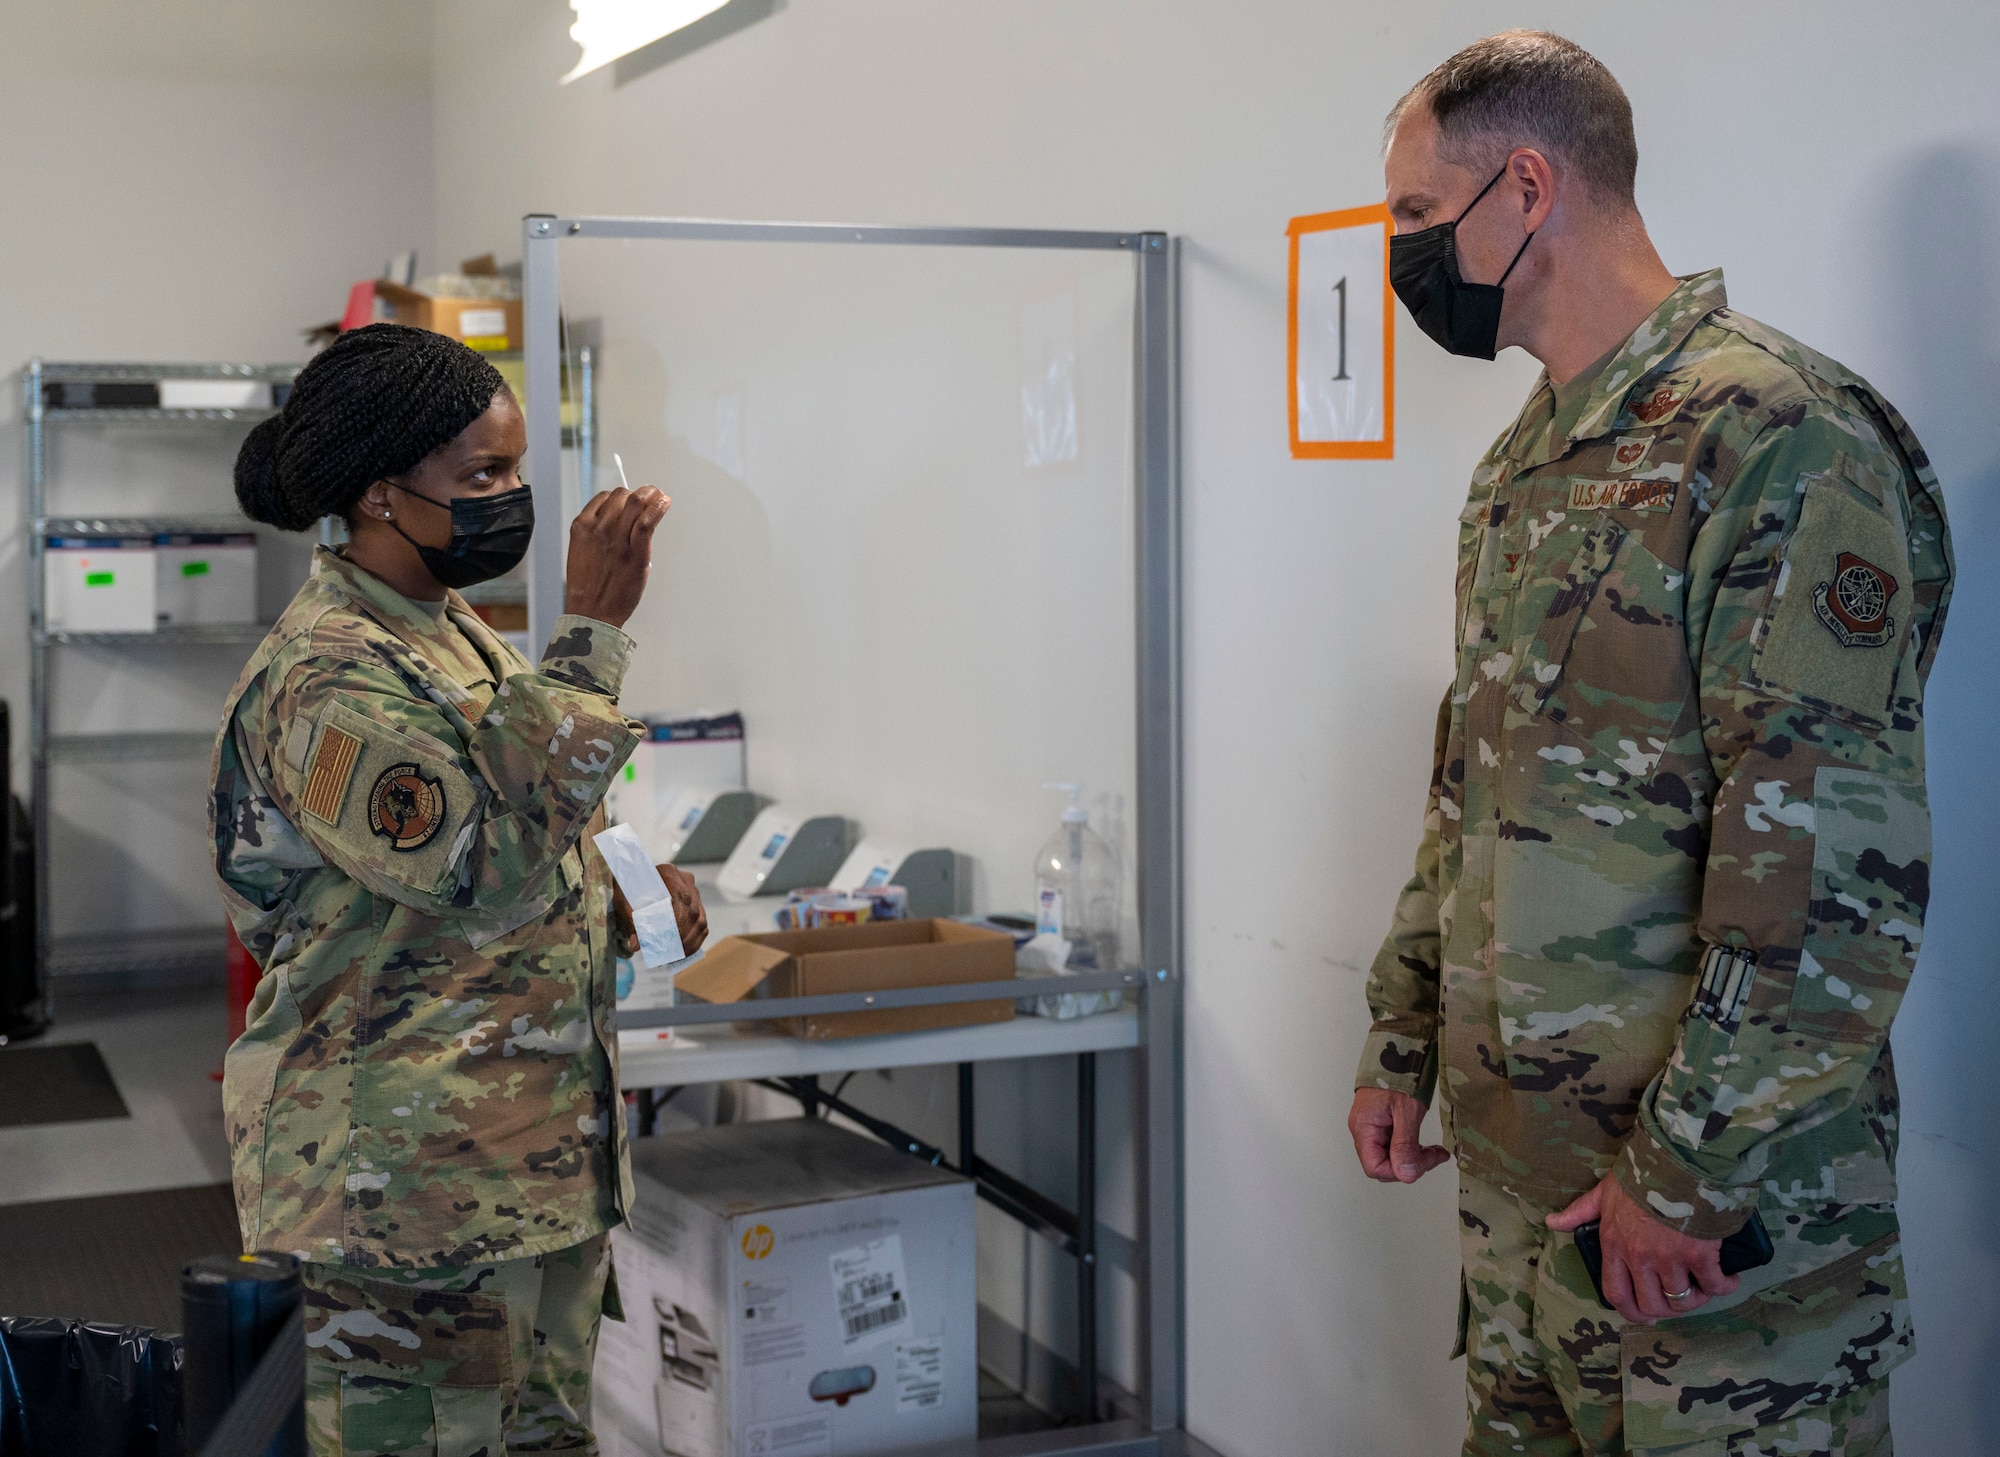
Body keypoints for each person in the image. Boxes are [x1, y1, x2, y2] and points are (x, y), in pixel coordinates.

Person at [1346, 32, 1952, 1456]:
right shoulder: (1523, 464)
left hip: (1714, 1246)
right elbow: (1472, 792)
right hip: (1525, 1209)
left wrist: (1681, 1174)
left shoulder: (1782, 443)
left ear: (1528, 187)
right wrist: (1401, 1029)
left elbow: (1824, 875)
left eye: (1417, 218)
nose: (1402, 255)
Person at [210, 323, 708, 1454]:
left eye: (518, 467)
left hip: (523, 1166)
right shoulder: (324, 671)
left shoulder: (444, 633)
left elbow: (524, 821)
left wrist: (620, 882)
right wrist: (588, 637)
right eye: (484, 475)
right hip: (410, 1193)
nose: (514, 496)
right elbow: (476, 858)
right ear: (383, 496)